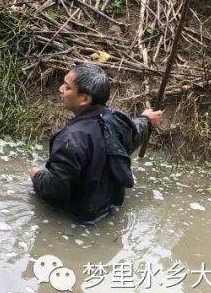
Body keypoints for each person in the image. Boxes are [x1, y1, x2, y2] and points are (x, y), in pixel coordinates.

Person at [28, 63, 162, 224]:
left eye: (67, 87)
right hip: (107, 209)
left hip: (77, 220)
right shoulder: (118, 121)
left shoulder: (70, 140)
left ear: (84, 99)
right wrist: (147, 120)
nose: (60, 89)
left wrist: (38, 177)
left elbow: (56, 191)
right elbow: (133, 134)